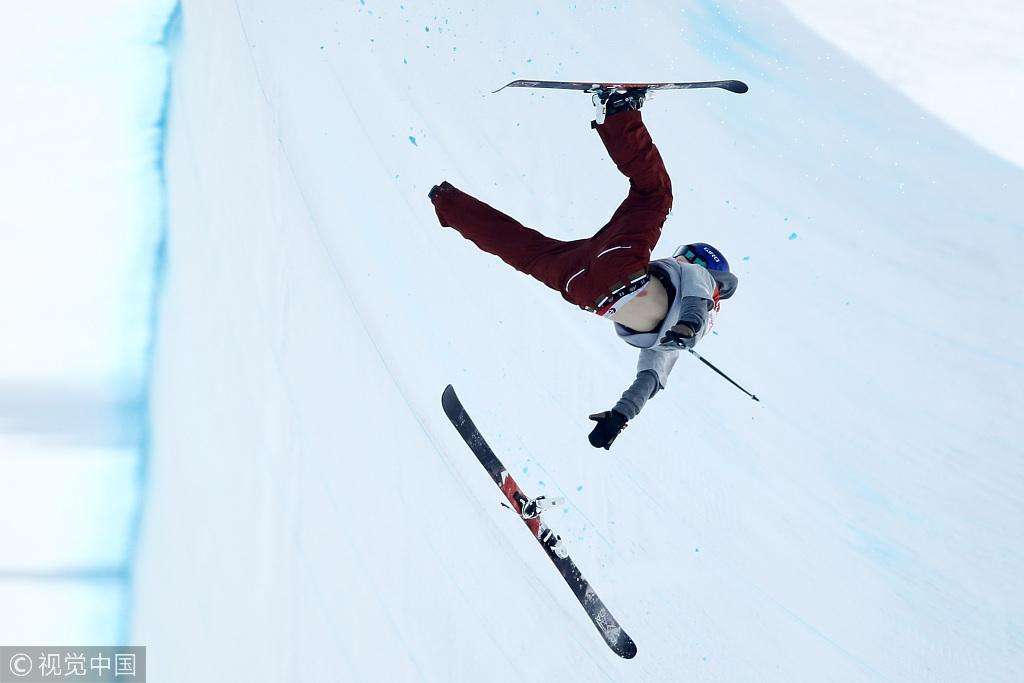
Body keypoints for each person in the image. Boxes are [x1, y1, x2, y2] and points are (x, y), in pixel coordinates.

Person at [429, 88, 739, 450]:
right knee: (528, 252)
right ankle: (448, 205)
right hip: (589, 291)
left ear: (703, 261)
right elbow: (650, 378)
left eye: (688, 254)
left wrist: (689, 325)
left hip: (624, 269)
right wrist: (619, 417)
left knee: (655, 195)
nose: (681, 257)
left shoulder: (701, 284)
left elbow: (697, 302)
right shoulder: (670, 342)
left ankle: (619, 111)